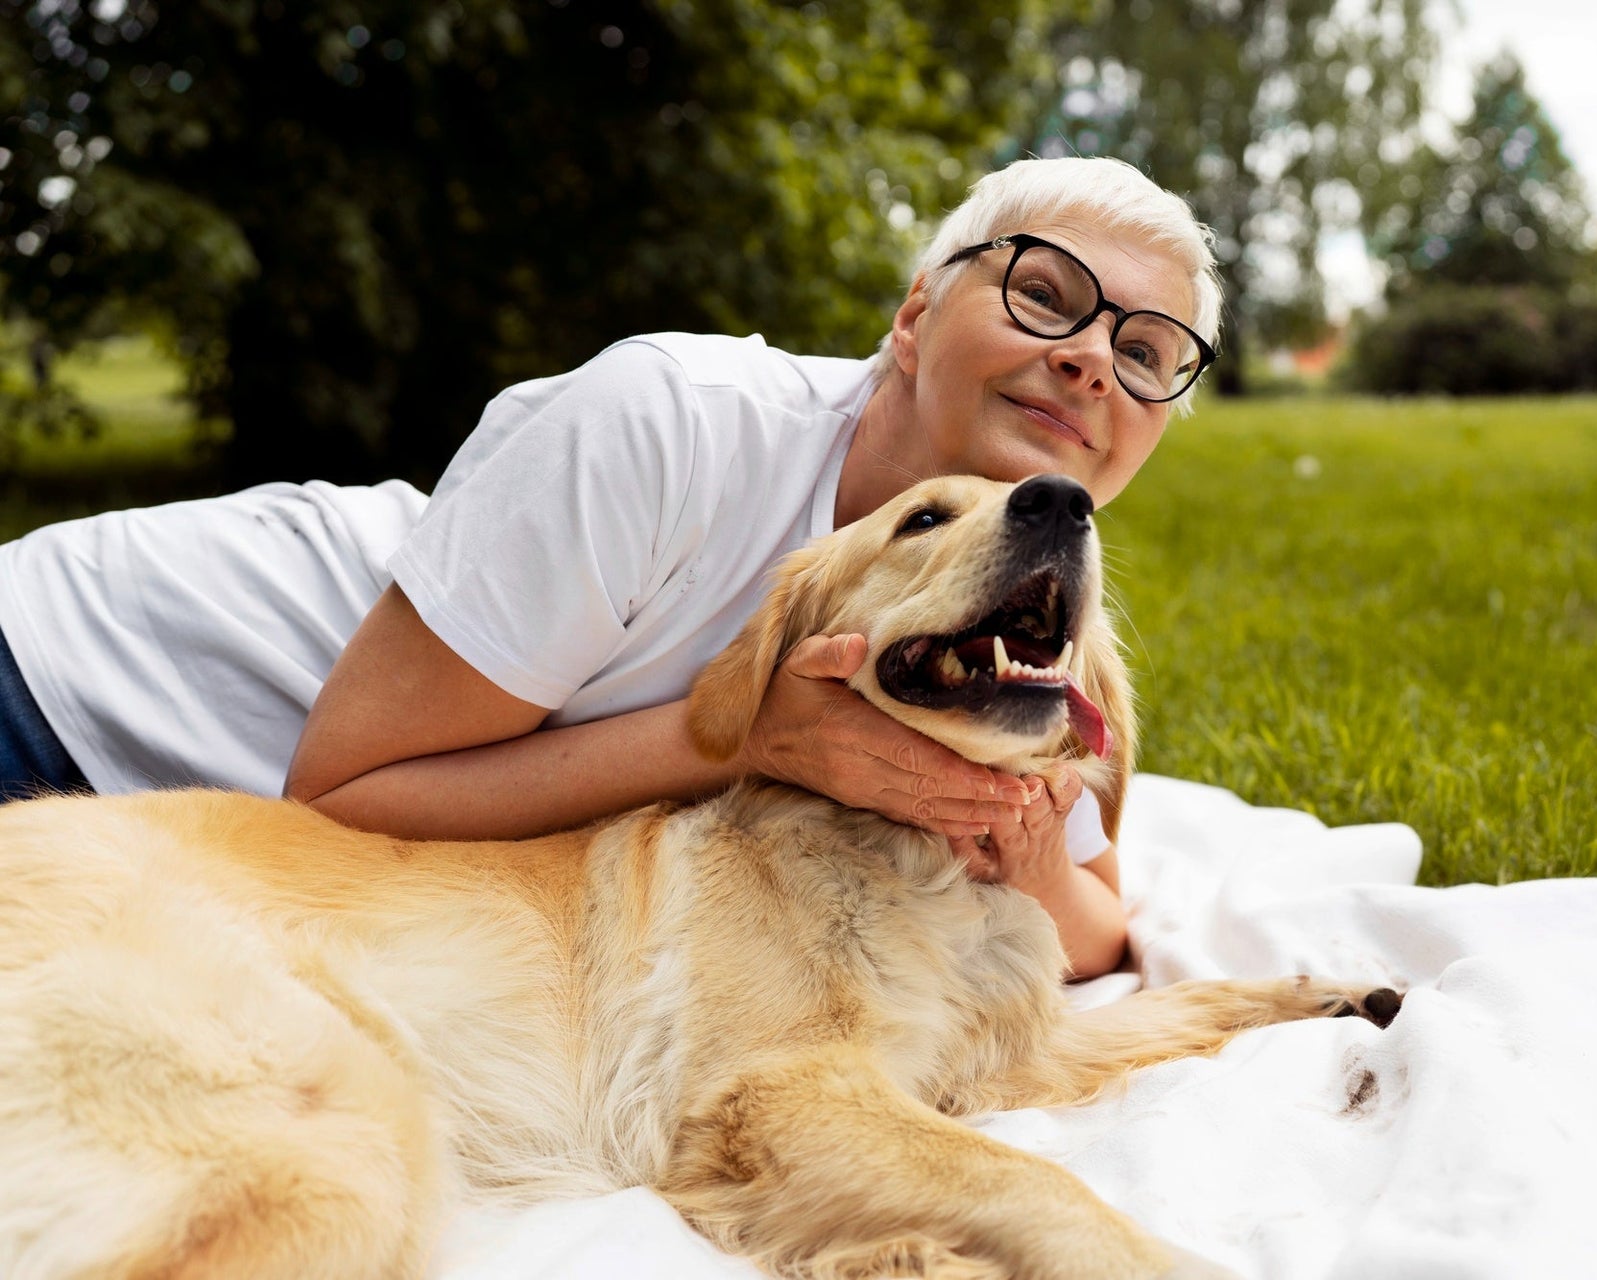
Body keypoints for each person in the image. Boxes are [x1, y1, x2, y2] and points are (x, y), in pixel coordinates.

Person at [0, 156, 1221, 978]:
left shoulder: (1020, 608)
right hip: (73, 695)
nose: (1091, 361)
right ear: (913, 318)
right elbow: (341, 793)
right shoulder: (674, 423)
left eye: (1148, 349)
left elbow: (1098, 931)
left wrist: (1009, 835)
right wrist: (756, 735)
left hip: (193, 866)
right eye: (1044, 295)